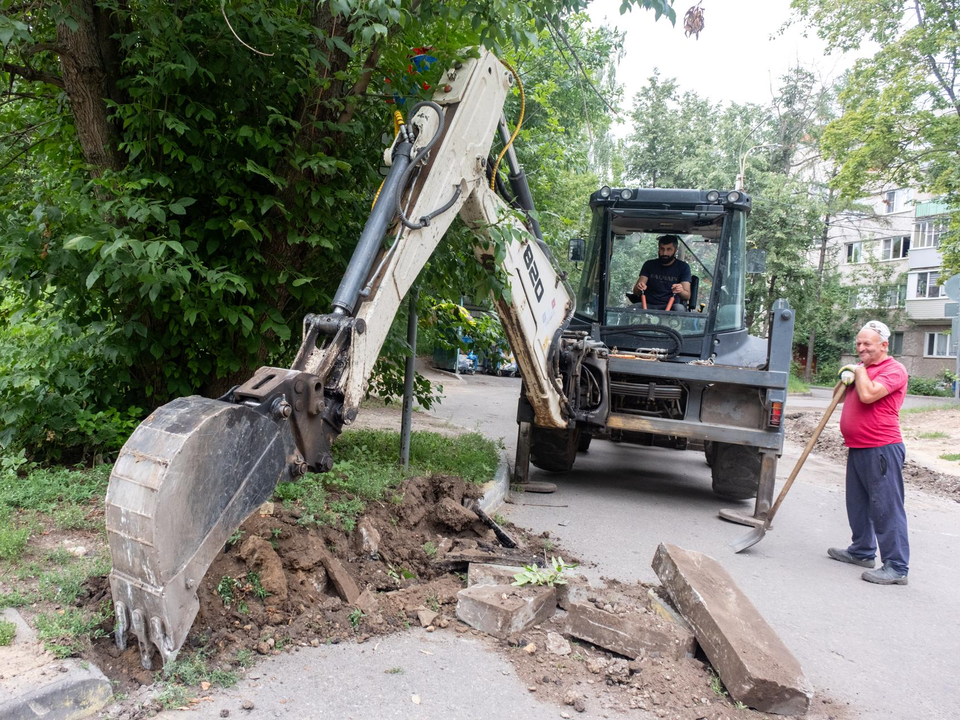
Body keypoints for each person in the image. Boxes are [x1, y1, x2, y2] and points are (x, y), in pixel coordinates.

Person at [828, 320, 910, 585]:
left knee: (886, 507)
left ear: (884, 345)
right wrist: (845, 377)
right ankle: (862, 551)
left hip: (882, 448)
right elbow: (838, 398)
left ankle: (897, 567)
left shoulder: (894, 370)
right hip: (858, 446)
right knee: (858, 504)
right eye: (859, 344)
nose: (861, 348)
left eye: (867, 344)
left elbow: (868, 395)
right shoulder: (861, 369)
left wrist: (859, 371)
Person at [631, 234, 692, 310]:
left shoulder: (683, 267)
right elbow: (636, 292)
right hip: (647, 305)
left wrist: (680, 290)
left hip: (671, 307)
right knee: (633, 308)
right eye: (662, 249)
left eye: (669, 249)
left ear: (675, 250)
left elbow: (687, 296)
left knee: (680, 308)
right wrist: (640, 287)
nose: (664, 253)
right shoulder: (649, 264)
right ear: (658, 249)